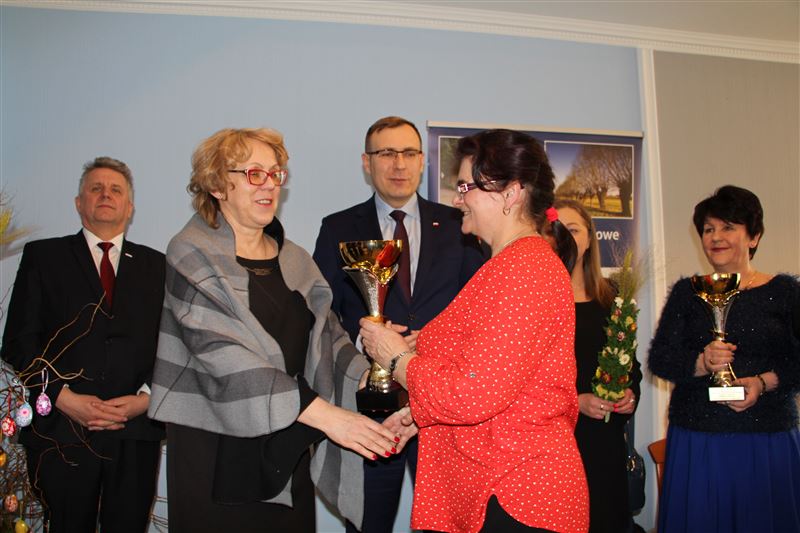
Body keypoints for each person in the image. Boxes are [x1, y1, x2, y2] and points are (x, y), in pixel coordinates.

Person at [147, 128, 400, 533]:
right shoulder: (190, 251)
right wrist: (330, 418)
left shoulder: (295, 259)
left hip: (287, 440)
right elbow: (224, 353)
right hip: (216, 448)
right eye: (254, 174)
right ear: (217, 185)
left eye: (275, 174)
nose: (269, 185)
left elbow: (329, 339)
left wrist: (376, 382)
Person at [360, 129, 589, 533]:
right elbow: (495, 379)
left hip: (517, 494)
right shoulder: (507, 266)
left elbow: (472, 394)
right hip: (498, 487)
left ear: (511, 193)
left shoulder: (525, 270)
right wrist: (419, 413)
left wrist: (395, 358)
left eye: (466, 187)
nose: (456, 199)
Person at [312, 116, 487, 532]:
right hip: (371, 407)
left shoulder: (460, 224)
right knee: (368, 523)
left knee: (447, 524)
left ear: (422, 161)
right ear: (366, 162)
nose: (399, 164)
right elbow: (321, 313)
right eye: (386, 153)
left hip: (442, 405)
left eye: (409, 153)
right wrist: (366, 340)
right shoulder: (338, 228)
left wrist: (434, 339)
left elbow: (478, 308)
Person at [1, 157, 165, 533]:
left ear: (129, 207)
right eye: (96, 188)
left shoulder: (158, 265)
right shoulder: (43, 257)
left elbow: (172, 345)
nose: (106, 194)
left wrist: (146, 399)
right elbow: (18, 343)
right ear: (79, 203)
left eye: (115, 190)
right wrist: (62, 397)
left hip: (134, 430)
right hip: (62, 430)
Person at [648, 185, 800, 533]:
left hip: (767, 441)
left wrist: (762, 383)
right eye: (708, 229)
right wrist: (700, 363)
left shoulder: (786, 292)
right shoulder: (687, 292)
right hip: (698, 440)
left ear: (754, 236)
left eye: (728, 227)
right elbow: (660, 359)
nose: (715, 237)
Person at [554, 198, 642, 533]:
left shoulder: (612, 297)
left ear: (590, 238)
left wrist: (630, 395)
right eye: (556, 230)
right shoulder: (536, 300)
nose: (565, 238)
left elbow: (631, 365)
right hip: (557, 444)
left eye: (573, 230)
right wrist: (575, 402)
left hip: (605, 444)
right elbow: (524, 379)